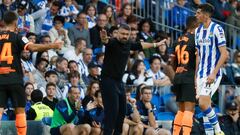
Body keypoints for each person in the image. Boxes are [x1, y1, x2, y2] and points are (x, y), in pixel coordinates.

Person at [0, 11, 62, 135]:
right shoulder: (17, 37)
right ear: (15, 22)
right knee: (20, 111)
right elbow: (32, 48)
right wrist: (53, 45)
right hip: (14, 78)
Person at [100, 23, 167, 135]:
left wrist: (155, 44)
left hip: (118, 81)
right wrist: (103, 38)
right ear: (118, 33)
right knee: (112, 112)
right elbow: (105, 41)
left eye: (127, 34)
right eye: (122, 33)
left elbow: (141, 45)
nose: (125, 36)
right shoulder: (112, 42)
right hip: (107, 80)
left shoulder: (128, 43)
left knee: (121, 112)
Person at [195, 4, 228, 135]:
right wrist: (195, 75)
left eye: (198, 13)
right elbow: (198, 55)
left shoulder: (217, 29)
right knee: (205, 106)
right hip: (201, 73)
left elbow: (224, 53)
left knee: (203, 103)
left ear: (206, 15)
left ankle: (218, 131)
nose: (196, 15)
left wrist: (214, 73)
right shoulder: (197, 31)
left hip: (213, 73)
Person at [172, 16, 199, 135]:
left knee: (181, 110)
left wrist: (178, 70)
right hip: (189, 76)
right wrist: (196, 78)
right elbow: (198, 60)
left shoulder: (178, 39)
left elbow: (173, 61)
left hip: (178, 75)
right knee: (189, 109)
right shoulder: (196, 39)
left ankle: (176, 133)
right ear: (196, 25)